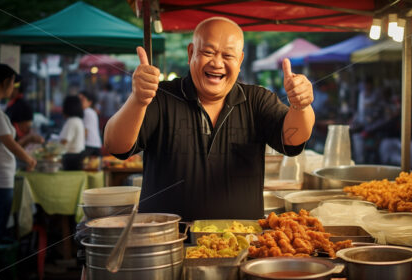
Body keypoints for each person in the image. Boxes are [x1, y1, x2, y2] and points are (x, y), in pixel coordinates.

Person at [104, 17, 315, 220]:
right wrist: (137, 100)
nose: (217, 63)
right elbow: (116, 145)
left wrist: (301, 106)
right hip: (165, 241)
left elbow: (292, 138)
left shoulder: (257, 100)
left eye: (228, 56)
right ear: (190, 53)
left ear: (240, 60)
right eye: (208, 52)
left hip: (241, 243)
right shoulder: (159, 97)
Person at [0, 63, 36, 249]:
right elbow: (10, 144)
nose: (14, 88)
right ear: (5, 83)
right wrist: (29, 159)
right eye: (13, 83)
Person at [5, 80, 44, 147]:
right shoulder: (15, 105)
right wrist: (28, 138)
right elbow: (13, 147)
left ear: (16, 89)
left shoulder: (18, 106)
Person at [60, 95, 85, 170]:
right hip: (78, 157)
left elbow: (64, 141)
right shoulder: (78, 120)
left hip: (70, 159)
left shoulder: (71, 121)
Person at [78, 90, 102, 157]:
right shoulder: (91, 111)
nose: (79, 102)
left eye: (82, 100)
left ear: (89, 102)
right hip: (94, 144)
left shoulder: (86, 112)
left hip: (89, 145)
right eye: (78, 100)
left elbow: (85, 131)